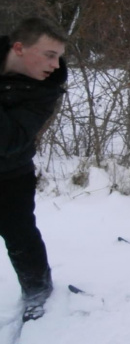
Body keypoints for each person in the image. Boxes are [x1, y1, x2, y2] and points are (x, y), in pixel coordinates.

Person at [0, 17, 68, 322]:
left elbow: (10, 139)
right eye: (49, 55)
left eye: (59, 56)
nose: (55, 65)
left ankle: (37, 290)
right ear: (19, 48)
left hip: (10, 172)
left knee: (20, 235)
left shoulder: (46, 89)